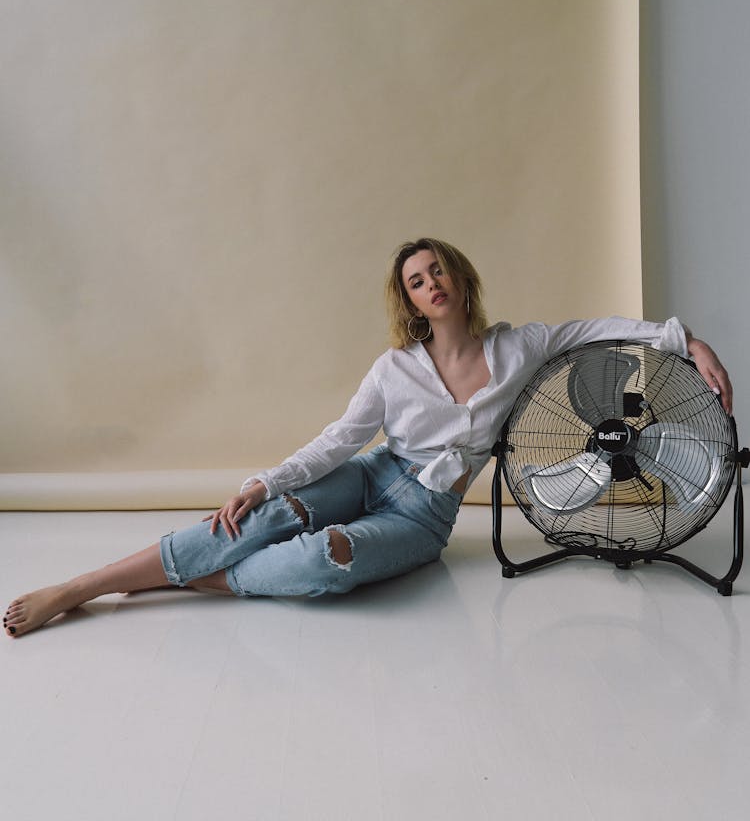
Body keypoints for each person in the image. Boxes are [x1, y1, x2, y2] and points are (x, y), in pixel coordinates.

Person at [3, 238, 733, 639]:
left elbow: (597, 329)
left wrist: (686, 340)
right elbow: (338, 438)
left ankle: (200, 580)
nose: (432, 281)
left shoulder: (519, 347)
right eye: (417, 278)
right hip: (370, 473)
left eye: (439, 267)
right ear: (409, 299)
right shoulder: (394, 369)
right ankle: (83, 586)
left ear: (461, 276)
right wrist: (266, 478)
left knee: (330, 562)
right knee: (259, 517)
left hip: (421, 514)